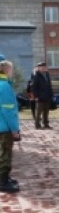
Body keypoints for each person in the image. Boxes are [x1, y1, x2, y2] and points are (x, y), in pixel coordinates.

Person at [0, 60, 20, 193]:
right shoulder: (5, 86)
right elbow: (8, 110)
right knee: (5, 154)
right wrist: (14, 129)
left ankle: (5, 178)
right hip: (5, 126)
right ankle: (3, 181)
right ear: (7, 70)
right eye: (11, 70)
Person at [32, 62, 54, 130]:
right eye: (41, 67)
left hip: (47, 95)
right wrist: (36, 96)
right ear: (38, 68)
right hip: (40, 96)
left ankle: (46, 124)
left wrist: (51, 94)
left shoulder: (47, 74)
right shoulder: (36, 75)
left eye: (44, 67)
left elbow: (49, 85)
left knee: (46, 111)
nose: (43, 68)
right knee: (39, 111)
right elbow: (34, 87)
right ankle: (37, 125)